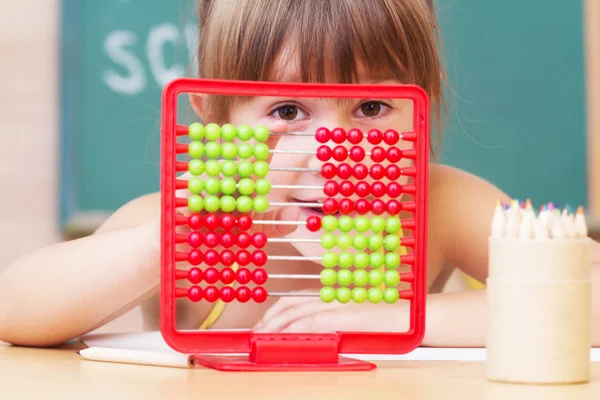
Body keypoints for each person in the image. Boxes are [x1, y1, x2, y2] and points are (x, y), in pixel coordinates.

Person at [1, 0, 599, 348]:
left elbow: (587, 291)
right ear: (214, 116)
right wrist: (173, 236)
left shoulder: (440, 201)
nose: (329, 149)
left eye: (370, 109)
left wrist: (397, 319)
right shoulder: (179, 227)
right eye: (288, 112)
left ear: (421, 103)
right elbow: (14, 311)